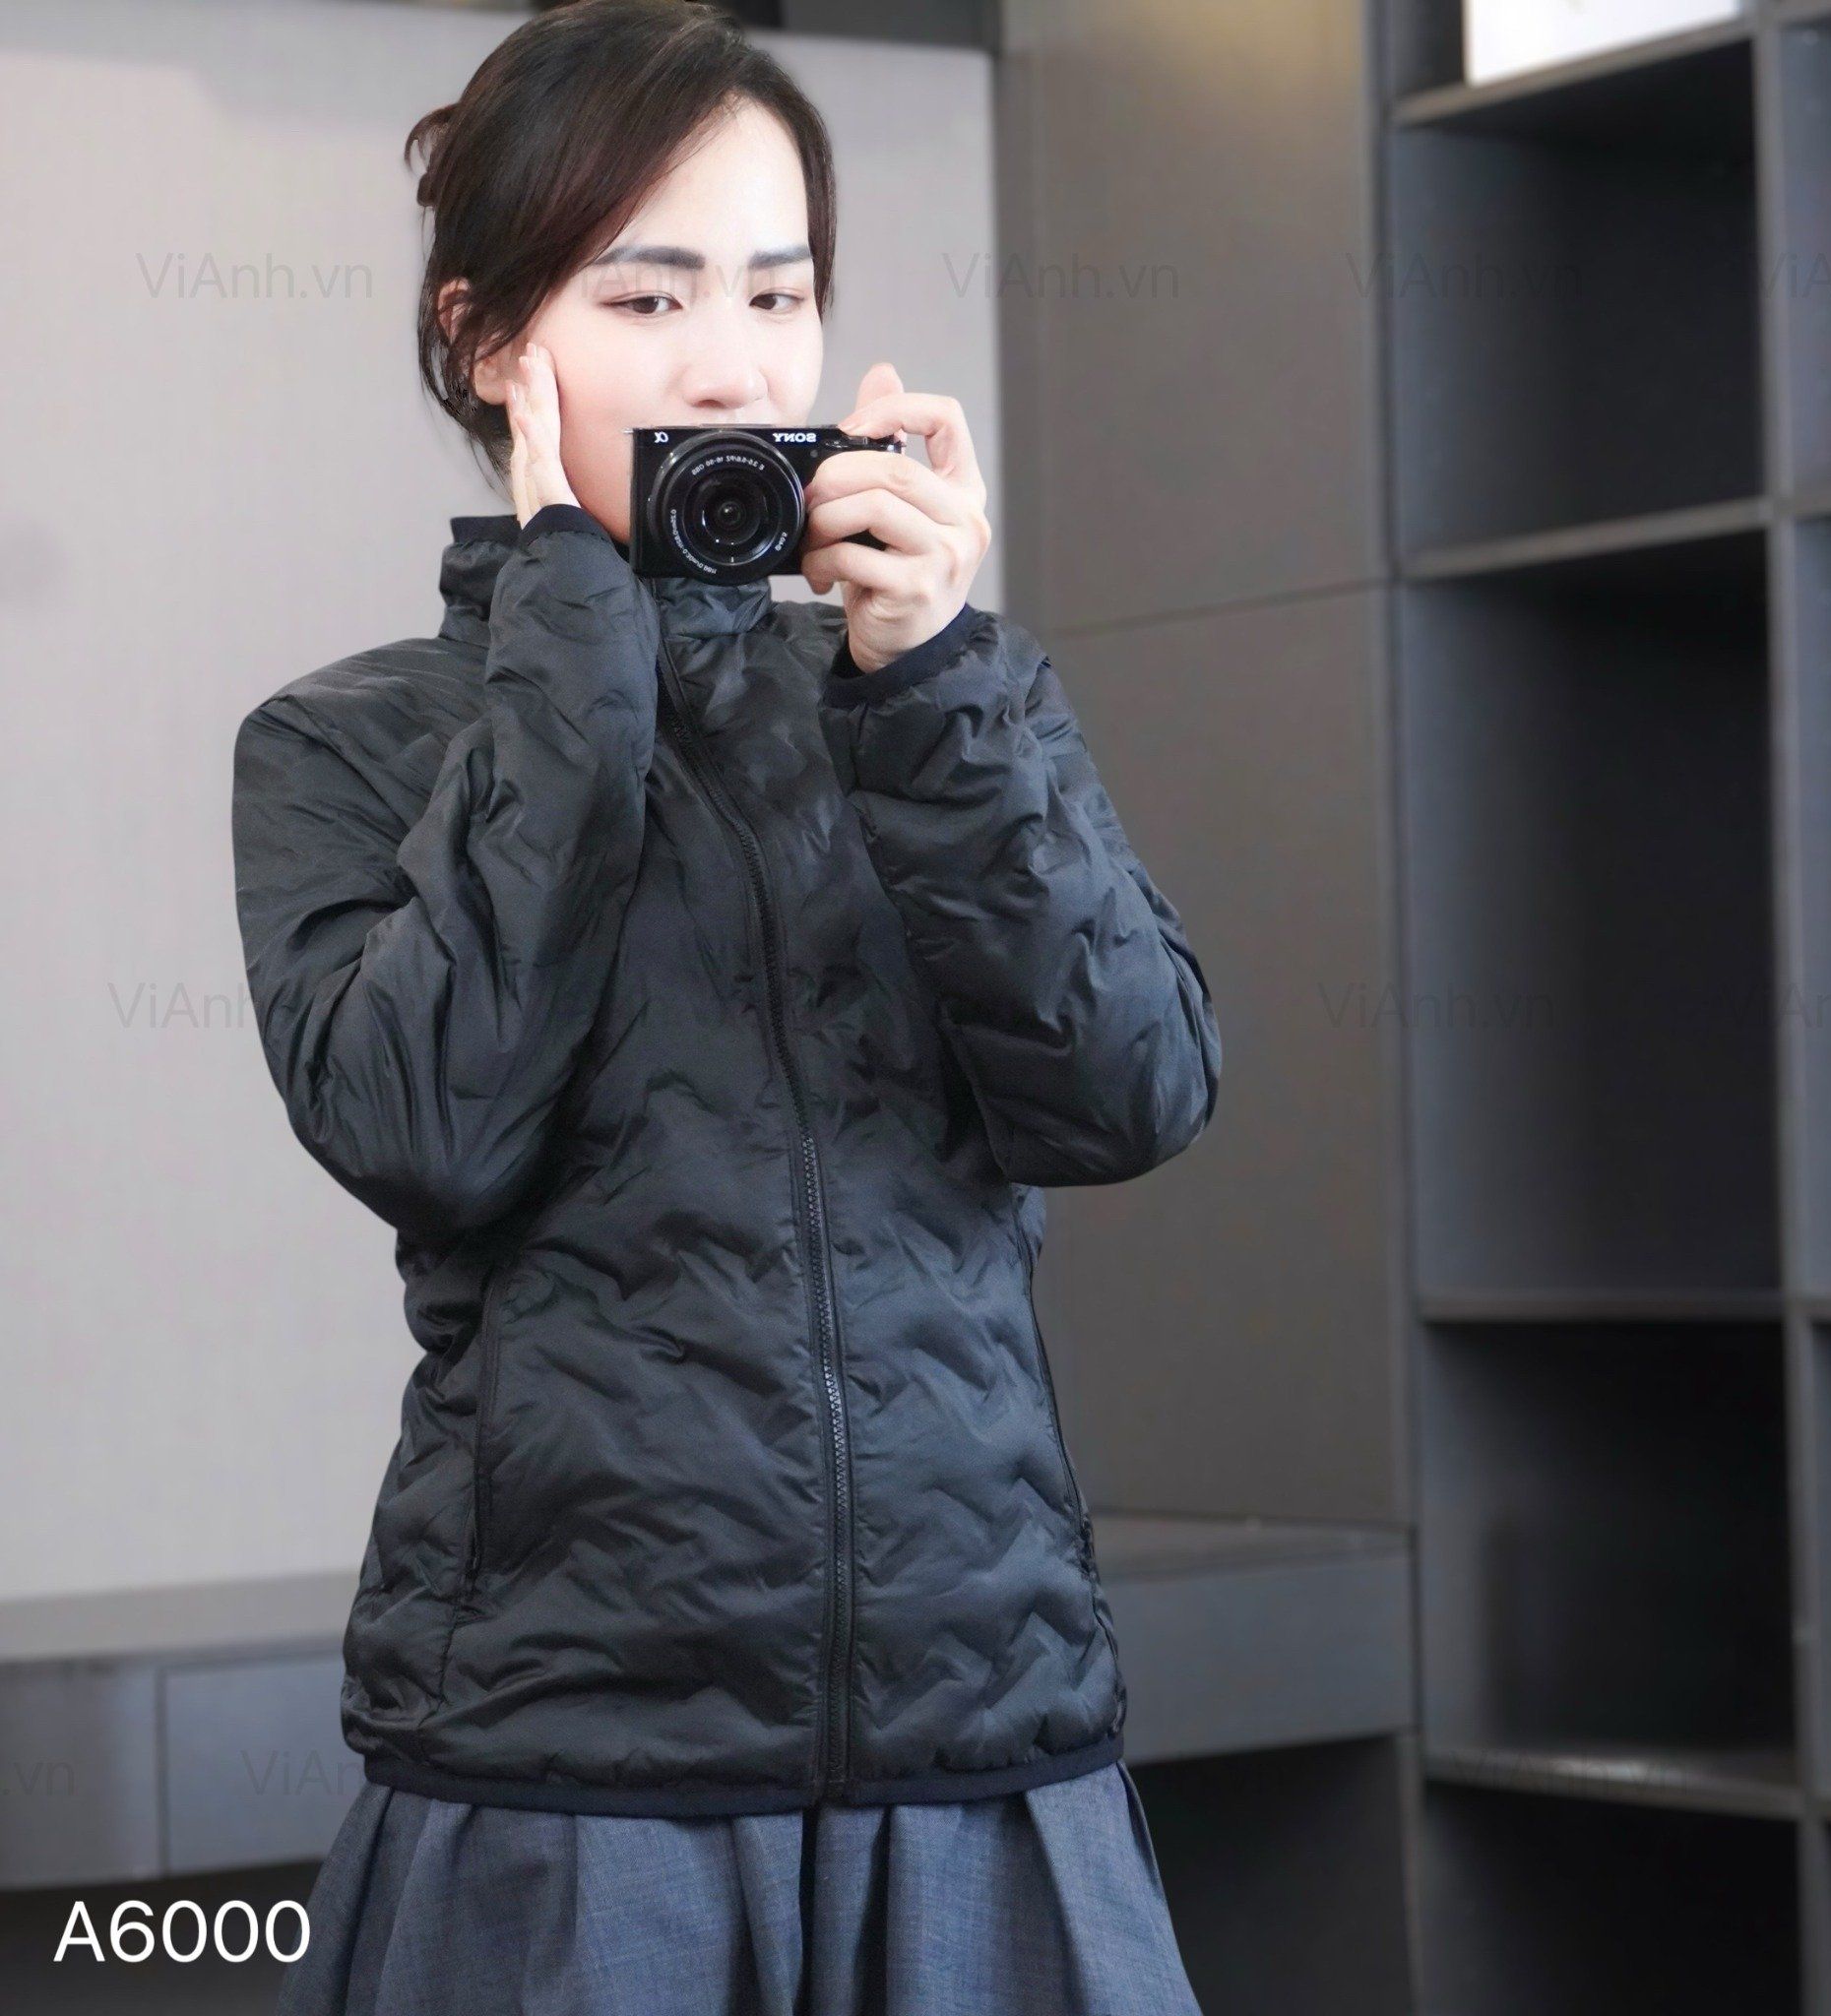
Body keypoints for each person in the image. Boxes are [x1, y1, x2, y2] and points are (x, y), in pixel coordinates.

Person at [231, 4, 1222, 2009]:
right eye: (648, 292)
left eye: (778, 292)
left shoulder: (943, 694)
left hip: (985, 1738)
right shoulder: (348, 744)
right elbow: (430, 1125)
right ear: (488, 342)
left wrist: (932, 682)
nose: (733, 364)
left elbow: (1131, 1093)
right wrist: (569, 635)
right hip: (570, 1777)